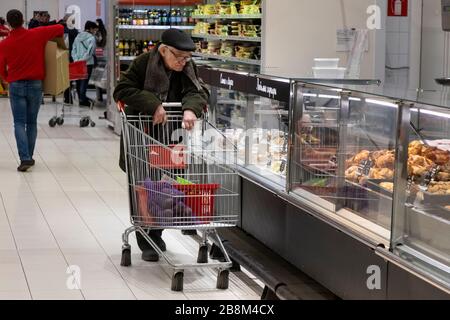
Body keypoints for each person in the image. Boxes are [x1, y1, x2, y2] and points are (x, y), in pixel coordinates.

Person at [113, 29, 209, 262]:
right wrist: (154, 104)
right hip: (143, 136)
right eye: (179, 57)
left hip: (172, 137)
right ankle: (147, 238)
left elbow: (199, 92)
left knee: (168, 184)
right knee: (145, 185)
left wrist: (190, 108)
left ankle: (157, 231)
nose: (183, 62)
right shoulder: (143, 63)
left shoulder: (187, 66)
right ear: (163, 50)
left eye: (187, 58)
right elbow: (122, 90)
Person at [0, 9, 64, 172]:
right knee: (31, 122)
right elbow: (60, 28)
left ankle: (25, 158)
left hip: (16, 85)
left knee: (19, 122)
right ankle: (29, 156)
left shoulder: (5, 44)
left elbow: (1, 68)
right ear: (23, 20)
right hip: (35, 84)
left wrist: (7, 77)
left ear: (8, 23)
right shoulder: (37, 34)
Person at [71, 21, 98, 107]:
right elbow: (89, 52)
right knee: (84, 82)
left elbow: (73, 50)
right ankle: (83, 100)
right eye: (94, 30)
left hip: (77, 63)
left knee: (78, 82)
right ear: (90, 29)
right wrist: (83, 60)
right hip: (87, 63)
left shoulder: (78, 37)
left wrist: (76, 60)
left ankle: (81, 99)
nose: (95, 32)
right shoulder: (92, 38)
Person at [59, 14, 79, 104]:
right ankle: (69, 97)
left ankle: (68, 98)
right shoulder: (75, 31)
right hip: (73, 57)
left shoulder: (64, 30)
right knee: (71, 78)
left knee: (66, 78)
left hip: (66, 56)